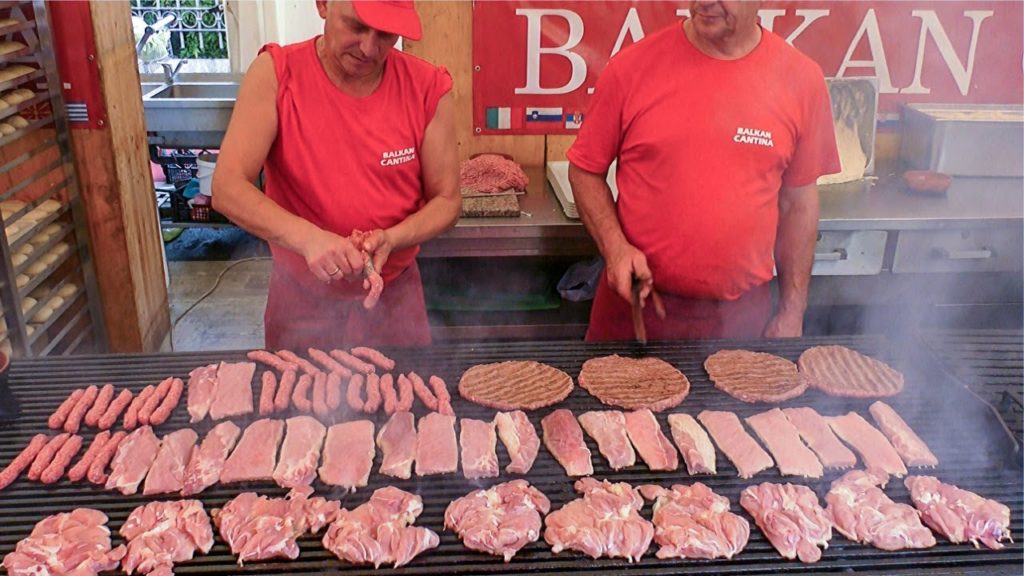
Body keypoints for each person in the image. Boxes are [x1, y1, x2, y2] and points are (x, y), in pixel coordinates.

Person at [567, 1, 840, 341]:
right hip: (635, 313)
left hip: (739, 323)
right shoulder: (631, 68)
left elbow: (799, 204)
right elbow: (584, 170)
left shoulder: (802, 79)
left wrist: (791, 309)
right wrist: (615, 248)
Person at [213, 0, 460, 349]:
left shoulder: (428, 87)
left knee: (408, 401)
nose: (369, 48)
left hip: (394, 302)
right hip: (301, 303)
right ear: (324, 5)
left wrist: (392, 238)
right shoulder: (276, 74)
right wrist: (308, 239)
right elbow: (227, 186)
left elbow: (447, 200)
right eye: (357, 27)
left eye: (386, 34)